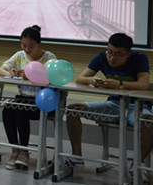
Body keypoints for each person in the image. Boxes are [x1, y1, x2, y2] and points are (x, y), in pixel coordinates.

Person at [65, 33, 153, 169]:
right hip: (112, 106)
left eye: (118, 54)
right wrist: (91, 80)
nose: (112, 58)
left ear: (128, 54)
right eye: (109, 52)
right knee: (73, 110)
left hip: (136, 107)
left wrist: (119, 84)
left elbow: (144, 85)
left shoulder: (140, 58)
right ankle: (77, 158)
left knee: (148, 123)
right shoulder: (101, 57)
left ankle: (136, 168)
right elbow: (80, 79)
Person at [0, 25, 56, 169]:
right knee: (8, 110)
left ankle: (24, 151)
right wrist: (10, 74)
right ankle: (15, 150)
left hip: (42, 101)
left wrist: (30, 76)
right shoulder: (19, 55)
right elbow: (0, 70)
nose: (27, 49)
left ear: (38, 44)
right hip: (23, 97)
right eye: (24, 45)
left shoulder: (49, 57)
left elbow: (51, 79)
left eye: (31, 46)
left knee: (21, 112)